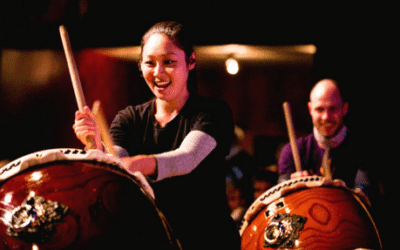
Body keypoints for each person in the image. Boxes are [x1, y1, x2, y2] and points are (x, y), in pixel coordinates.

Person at [73, 21, 240, 250]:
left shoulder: (213, 112)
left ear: (191, 62)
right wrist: (95, 145)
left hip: (209, 240)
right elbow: (113, 168)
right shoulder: (129, 118)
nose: (158, 72)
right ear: (140, 66)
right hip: (151, 240)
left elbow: (187, 158)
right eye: (149, 63)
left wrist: (137, 163)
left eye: (169, 62)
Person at [278, 79, 371, 195]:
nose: (326, 117)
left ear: (345, 108)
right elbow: (280, 194)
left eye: (333, 109)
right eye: (319, 109)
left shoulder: (363, 149)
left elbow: (365, 195)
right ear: (310, 109)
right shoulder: (292, 150)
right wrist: (289, 186)